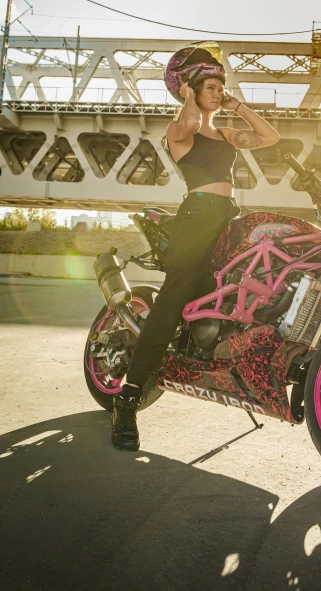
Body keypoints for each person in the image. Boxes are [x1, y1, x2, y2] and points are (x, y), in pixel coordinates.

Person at [112, 42, 280, 451]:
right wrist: (190, 95)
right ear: (189, 88)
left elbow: (269, 137)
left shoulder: (224, 132)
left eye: (220, 84)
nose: (218, 90)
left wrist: (236, 104)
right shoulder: (178, 131)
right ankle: (128, 400)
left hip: (227, 217)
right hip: (196, 218)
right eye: (210, 84)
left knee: (237, 290)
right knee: (172, 301)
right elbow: (187, 122)